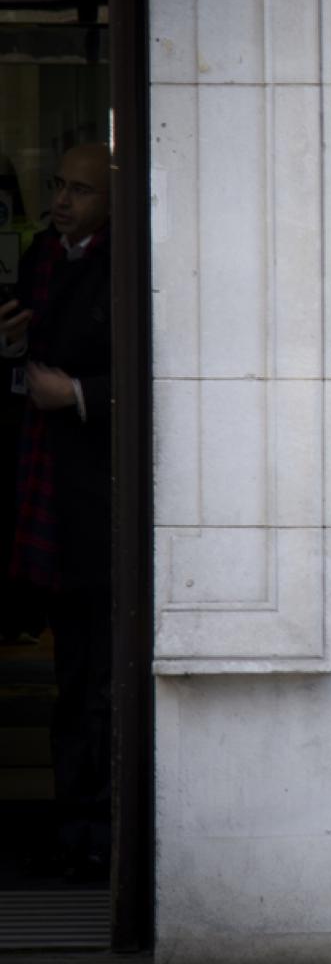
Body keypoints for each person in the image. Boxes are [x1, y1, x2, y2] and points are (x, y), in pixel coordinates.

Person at [0, 141, 115, 881]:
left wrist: (75, 395)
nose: (63, 200)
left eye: (80, 190)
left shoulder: (124, 266)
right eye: (59, 186)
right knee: (71, 681)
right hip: (47, 496)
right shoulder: (44, 256)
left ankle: (95, 833)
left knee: (97, 682)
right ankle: (72, 827)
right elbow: (26, 356)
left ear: (111, 201)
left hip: (98, 508)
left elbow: (152, 369)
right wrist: (11, 346)